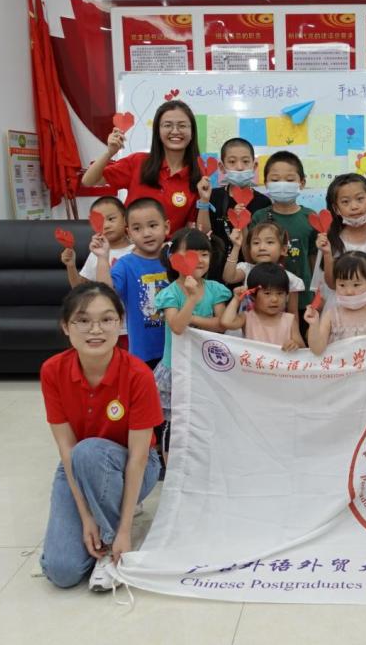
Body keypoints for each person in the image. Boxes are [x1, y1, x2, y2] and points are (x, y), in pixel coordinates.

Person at [38, 282, 163, 591]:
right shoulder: (52, 371)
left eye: (106, 319)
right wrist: (86, 516)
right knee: (62, 571)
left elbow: (139, 457)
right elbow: (66, 451)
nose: (95, 330)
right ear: (66, 326)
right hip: (78, 465)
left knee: (89, 451)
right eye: (83, 320)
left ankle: (111, 548)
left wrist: (123, 532)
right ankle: (104, 520)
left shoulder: (138, 374)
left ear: (120, 323)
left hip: (135, 466)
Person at [81, 100, 209, 233]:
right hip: (129, 243)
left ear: (192, 132)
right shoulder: (138, 162)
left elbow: (201, 232)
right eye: (167, 125)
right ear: (158, 131)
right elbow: (88, 181)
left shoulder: (198, 176)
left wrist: (204, 200)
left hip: (168, 246)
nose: (175, 131)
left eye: (182, 125)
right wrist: (110, 152)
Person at [153, 229, 230, 427]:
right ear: (174, 259)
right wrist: (192, 299)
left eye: (204, 254)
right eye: (191, 254)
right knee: (175, 424)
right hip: (176, 367)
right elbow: (177, 327)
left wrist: (190, 317)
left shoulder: (215, 289)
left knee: (204, 420)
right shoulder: (170, 293)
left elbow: (221, 325)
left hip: (207, 365)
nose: (199, 260)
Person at [94, 198, 170, 367]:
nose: (146, 233)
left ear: (166, 227)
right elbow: (106, 293)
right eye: (137, 228)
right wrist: (102, 257)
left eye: (153, 225)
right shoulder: (125, 264)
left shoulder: (174, 257)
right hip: (144, 352)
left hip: (177, 348)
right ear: (128, 233)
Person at [249, 151, 317, 312]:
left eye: (290, 179)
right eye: (275, 180)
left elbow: (313, 259)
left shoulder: (311, 217)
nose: (282, 184)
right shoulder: (260, 216)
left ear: (302, 182)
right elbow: (251, 255)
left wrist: (315, 292)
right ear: (266, 183)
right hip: (266, 299)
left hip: (303, 298)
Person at [314, 174, 366, 311]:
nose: (354, 206)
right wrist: (327, 254)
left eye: (360, 199)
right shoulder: (330, 242)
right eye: (345, 202)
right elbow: (330, 285)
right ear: (336, 208)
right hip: (338, 314)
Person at [197, 136, 271, 280]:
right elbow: (204, 234)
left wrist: (242, 222)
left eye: (245, 161)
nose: (239, 167)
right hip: (215, 272)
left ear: (254, 166)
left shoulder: (263, 202)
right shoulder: (213, 196)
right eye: (232, 162)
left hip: (251, 274)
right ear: (221, 167)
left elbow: (264, 243)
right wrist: (204, 200)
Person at [305, 251, 366, 354]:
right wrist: (313, 325)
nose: (349, 291)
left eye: (356, 285)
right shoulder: (331, 316)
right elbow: (317, 350)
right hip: (339, 364)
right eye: (342, 285)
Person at [222, 220, 305, 316]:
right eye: (256, 243)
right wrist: (236, 247)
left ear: (283, 249)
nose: (262, 247)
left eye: (269, 242)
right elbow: (229, 278)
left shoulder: (291, 279)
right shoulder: (247, 269)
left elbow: (293, 313)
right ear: (249, 249)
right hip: (245, 324)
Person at [220, 263, 304, 351]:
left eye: (280, 293)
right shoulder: (247, 317)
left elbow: (303, 349)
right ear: (253, 295)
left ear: (287, 295)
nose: (275, 299)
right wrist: (237, 299)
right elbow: (226, 322)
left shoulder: (290, 320)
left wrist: (295, 344)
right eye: (267, 293)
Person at [62, 197, 131, 287]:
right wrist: (71, 266)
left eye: (111, 219)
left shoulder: (139, 249)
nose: (106, 226)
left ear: (125, 219)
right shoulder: (96, 253)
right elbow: (79, 288)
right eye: (100, 222)